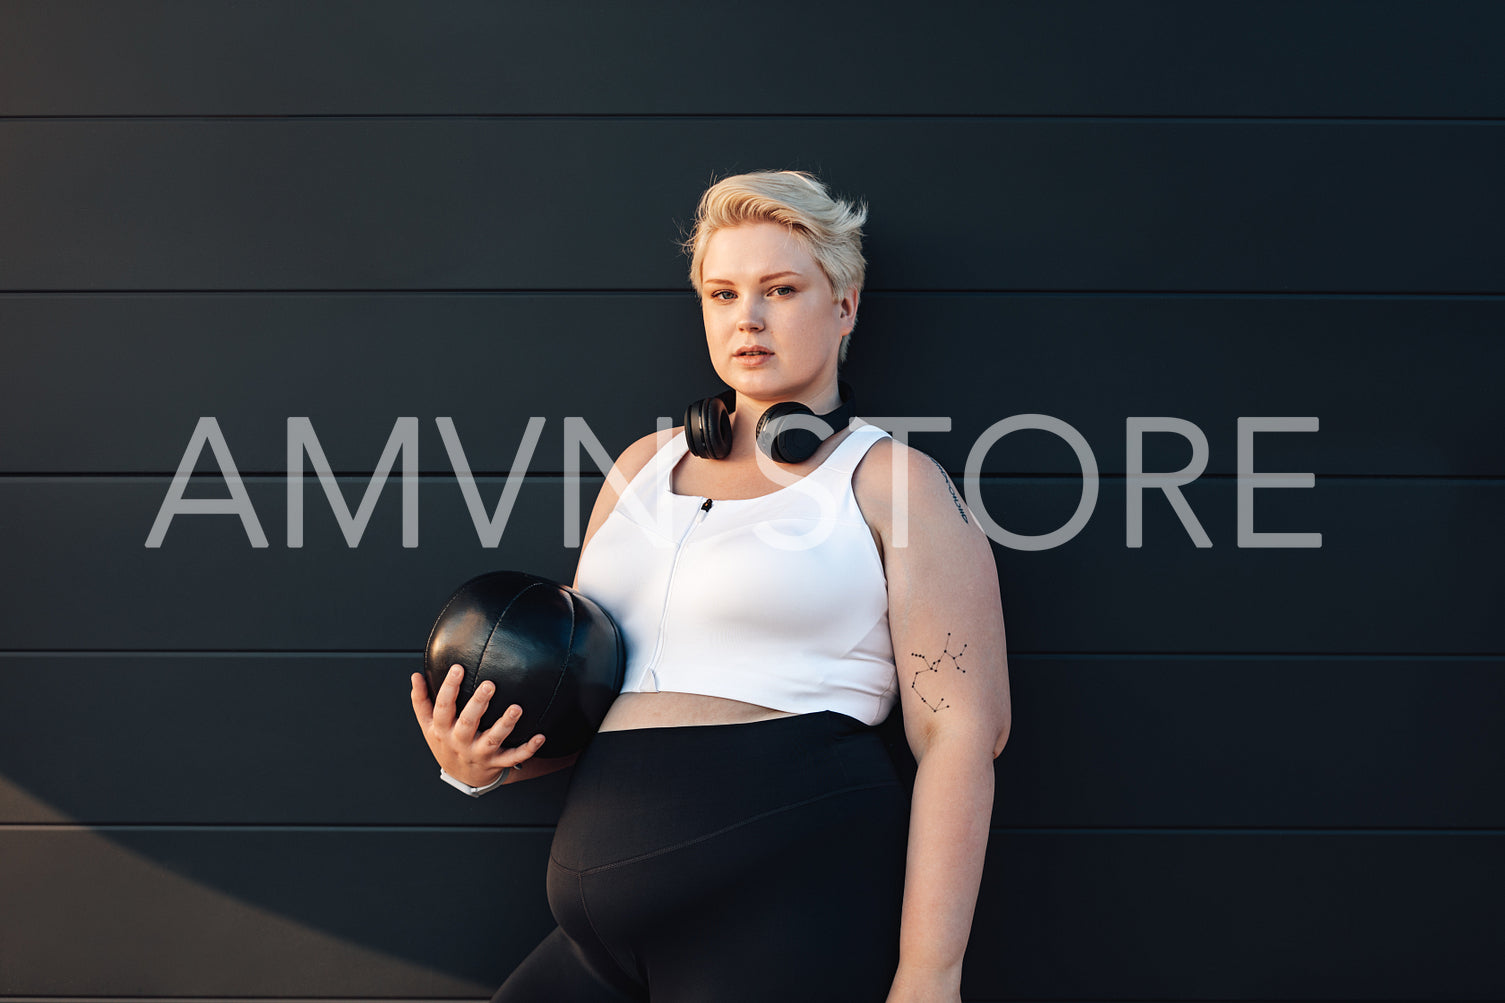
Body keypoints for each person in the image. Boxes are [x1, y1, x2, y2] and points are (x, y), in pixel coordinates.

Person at [410, 170, 1011, 1002]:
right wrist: (481, 763)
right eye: (723, 293)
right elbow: (585, 697)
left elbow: (961, 737)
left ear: (844, 306)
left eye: (780, 289)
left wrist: (929, 975)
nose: (747, 318)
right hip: (599, 933)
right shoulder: (639, 468)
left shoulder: (888, 483)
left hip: (778, 914)